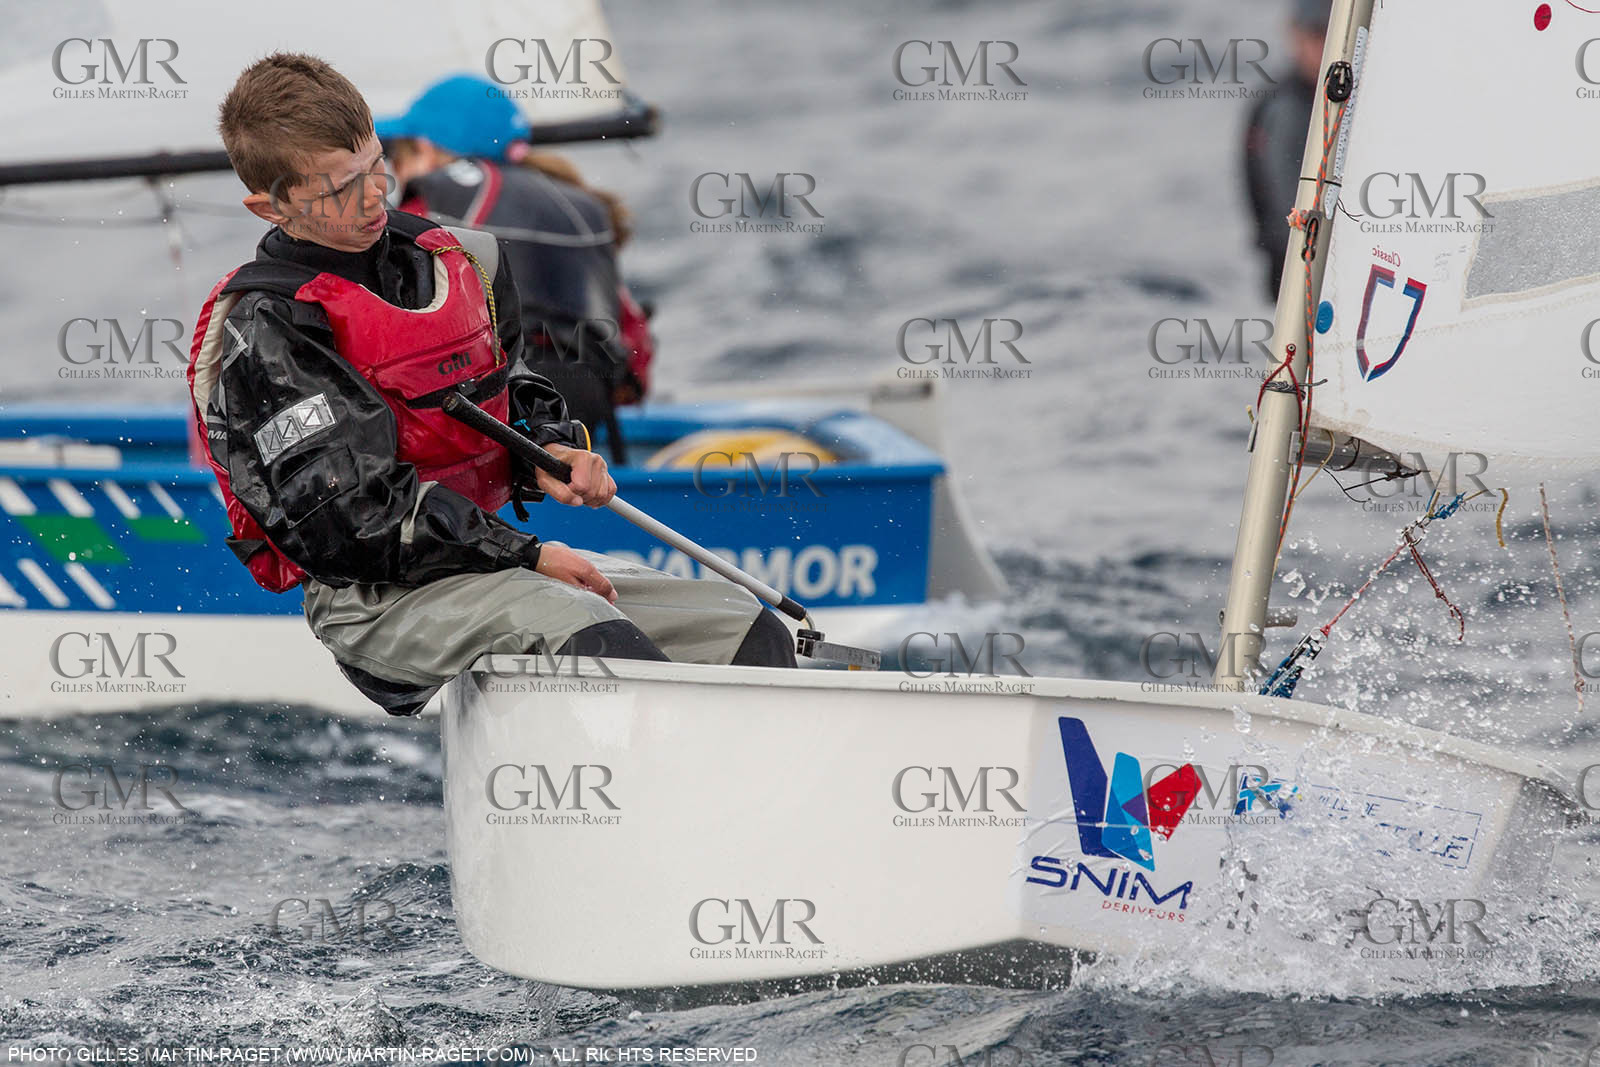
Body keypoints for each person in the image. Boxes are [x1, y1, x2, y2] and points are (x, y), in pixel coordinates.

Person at [188, 53, 794, 716]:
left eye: (375, 167)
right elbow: (355, 521)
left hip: (489, 562)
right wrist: (528, 555)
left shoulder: (453, 259)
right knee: (599, 642)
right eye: (338, 188)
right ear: (269, 205)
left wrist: (551, 451)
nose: (372, 199)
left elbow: (510, 382)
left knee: (747, 629)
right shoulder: (274, 327)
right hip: (375, 597)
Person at [376, 74, 651, 462]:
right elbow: (634, 349)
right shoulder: (581, 202)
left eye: (396, 160)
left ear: (425, 151)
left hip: (492, 407)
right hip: (580, 406)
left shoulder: (430, 199)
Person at [1242, 0, 1327, 300]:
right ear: (1296, 36)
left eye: (1331, 34)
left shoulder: (1319, 100)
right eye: (1317, 34)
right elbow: (1290, 203)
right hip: (1298, 271)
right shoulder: (1290, 108)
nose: (1325, 47)